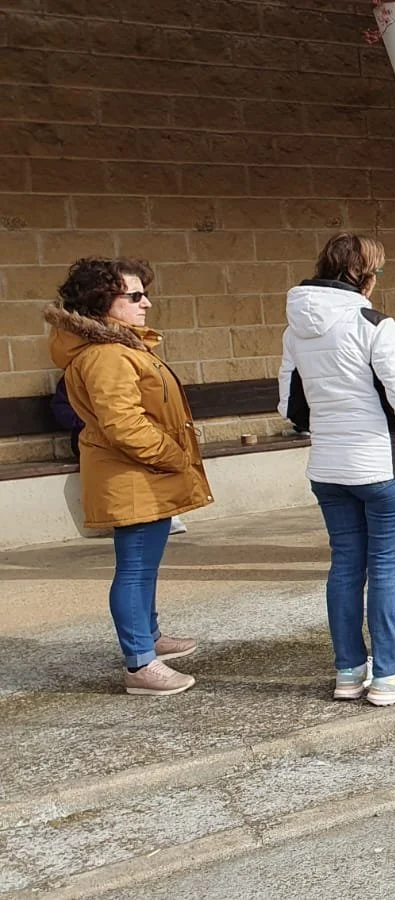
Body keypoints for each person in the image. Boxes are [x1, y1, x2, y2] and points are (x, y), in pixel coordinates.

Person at [278, 233, 395, 707]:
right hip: (381, 462)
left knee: (345, 565)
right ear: (365, 276)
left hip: (327, 466)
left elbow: (290, 404)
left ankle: (349, 671)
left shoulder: (295, 329)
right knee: (387, 570)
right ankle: (390, 673)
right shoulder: (373, 323)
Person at [46, 258, 213, 696]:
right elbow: (122, 422)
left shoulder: (121, 347)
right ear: (104, 302)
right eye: (135, 296)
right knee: (135, 568)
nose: (147, 303)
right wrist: (172, 455)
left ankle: (150, 636)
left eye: (144, 294)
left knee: (146, 564)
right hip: (133, 474)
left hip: (145, 474)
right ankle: (139, 662)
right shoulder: (104, 354)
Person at [52, 379, 189, 535]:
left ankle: (166, 512)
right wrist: (89, 423)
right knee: (121, 468)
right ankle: (132, 519)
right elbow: (62, 410)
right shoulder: (73, 377)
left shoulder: (128, 371)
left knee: (148, 454)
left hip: (131, 434)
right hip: (94, 439)